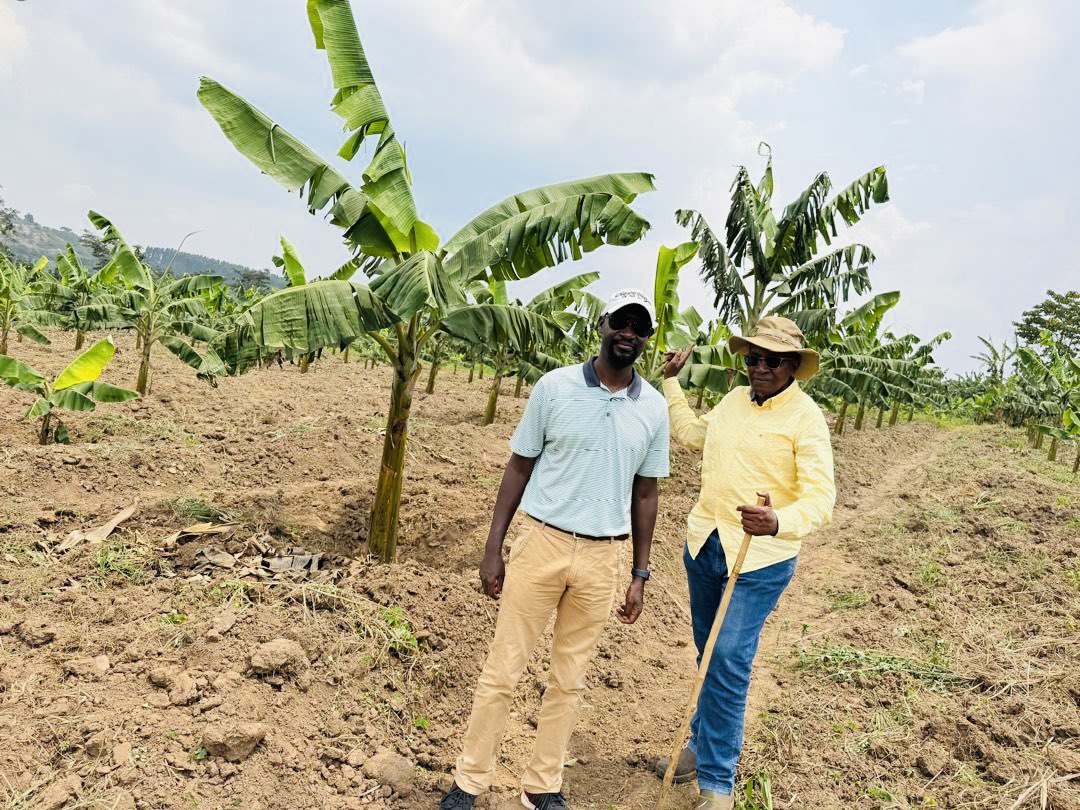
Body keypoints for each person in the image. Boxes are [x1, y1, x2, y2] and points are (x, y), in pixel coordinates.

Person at [440, 289, 670, 810]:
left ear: (647, 338)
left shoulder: (654, 407)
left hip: (602, 556)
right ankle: (469, 781)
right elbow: (519, 465)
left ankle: (543, 786)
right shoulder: (555, 387)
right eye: (621, 322)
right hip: (541, 541)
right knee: (504, 670)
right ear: (603, 324)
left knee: (569, 681)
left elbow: (647, 491)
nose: (628, 333)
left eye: (639, 327)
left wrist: (639, 573)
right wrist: (493, 547)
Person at [657, 316, 836, 809]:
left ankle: (717, 784)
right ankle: (699, 742)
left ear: (793, 366)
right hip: (707, 542)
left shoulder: (805, 418)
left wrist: (778, 521)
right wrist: (671, 382)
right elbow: (693, 435)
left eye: (772, 360)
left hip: (759, 558)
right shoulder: (734, 401)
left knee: (729, 658)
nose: (760, 367)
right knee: (707, 652)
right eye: (753, 357)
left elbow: (822, 498)